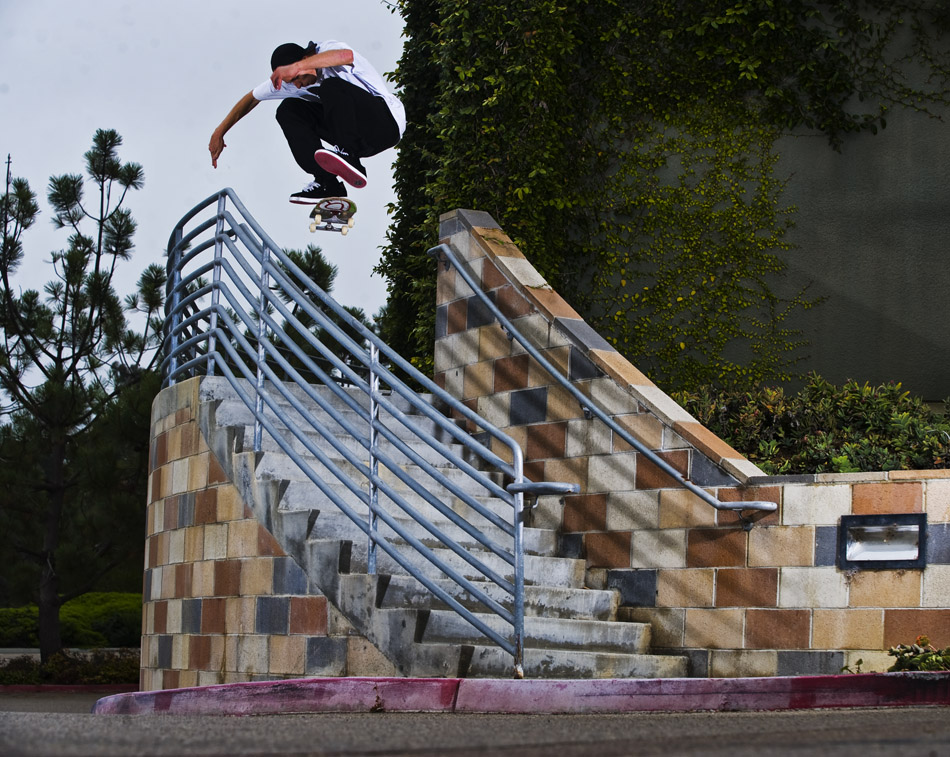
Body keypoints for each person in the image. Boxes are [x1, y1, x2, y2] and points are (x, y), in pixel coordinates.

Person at [209, 40, 405, 203]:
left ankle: (349, 155)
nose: (297, 84)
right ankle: (326, 182)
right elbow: (252, 98)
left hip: (386, 123)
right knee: (288, 109)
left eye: (297, 77)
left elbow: (346, 56)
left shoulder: (328, 49)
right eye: (291, 82)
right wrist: (220, 132)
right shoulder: (292, 82)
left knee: (331, 87)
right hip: (359, 139)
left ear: (304, 60)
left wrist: (297, 67)